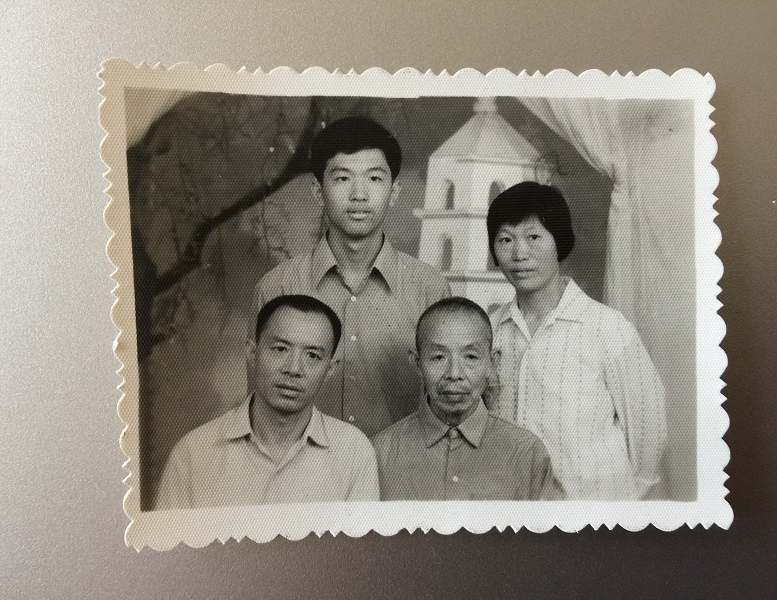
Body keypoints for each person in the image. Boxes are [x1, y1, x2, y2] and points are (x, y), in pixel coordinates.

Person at [250, 116, 450, 437]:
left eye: (374, 178)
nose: (359, 194)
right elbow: (258, 409)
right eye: (343, 178)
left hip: (396, 468)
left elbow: (445, 407)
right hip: (302, 468)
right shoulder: (277, 287)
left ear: (394, 191)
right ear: (318, 191)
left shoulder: (430, 290)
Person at [486, 181, 667, 500]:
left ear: (560, 241)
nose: (519, 254)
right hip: (514, 508)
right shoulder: (489, 329)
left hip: (595, 511)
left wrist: (622, 502)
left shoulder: (608, 328)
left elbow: (648, 429)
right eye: (506, 239)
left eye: (533, 237)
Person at [156, 294, 379, 509]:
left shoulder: (354, 452)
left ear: (330, 369)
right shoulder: (192, 453)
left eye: (312, 355)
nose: (293, 369)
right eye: (280, 349)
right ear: (252, 353)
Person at [372, 297, 559, 501]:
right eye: (438, 357)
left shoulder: (527, 453)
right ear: (417, 362)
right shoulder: (379, 453)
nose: (454, 374)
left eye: (470, 357)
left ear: (492, 362)